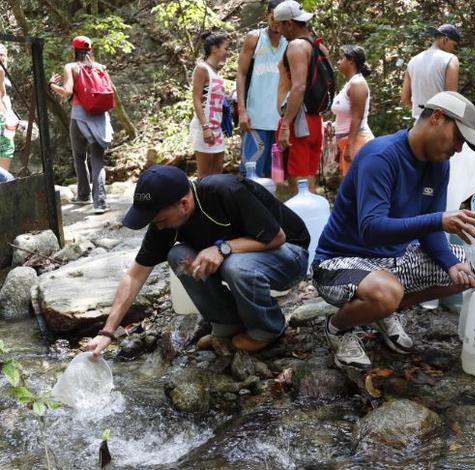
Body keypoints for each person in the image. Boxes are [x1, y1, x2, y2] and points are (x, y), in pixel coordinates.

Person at [312, 91, 475, 369]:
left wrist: (451, 263)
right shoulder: (381, 156)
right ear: (437, 118)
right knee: (386, 292)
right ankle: (338, 328)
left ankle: (383, 311)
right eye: (458, 138)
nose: (459, 148)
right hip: (338, 262)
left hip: (392, 260)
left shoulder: (439, 165)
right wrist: (439, 220)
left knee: (468, 269)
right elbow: (372, 229)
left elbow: (431, 231)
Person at [85, 165, 310, 357]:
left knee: (235, 265)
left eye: (161, 220)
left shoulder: (224, 190)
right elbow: (135, 275)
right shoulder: (162, 223)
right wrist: (106, 332)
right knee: (178, 256)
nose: (158, 226)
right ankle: (227, 326)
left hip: (289, 255)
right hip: (242, 259)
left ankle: (266, 330)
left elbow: (277, 237)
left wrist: (224, 248)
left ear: (184, 204)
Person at [49, 36, 113, 214]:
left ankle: (84, 195)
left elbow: (67, 91)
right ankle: (100, 203)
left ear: (74, 50)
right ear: (90, 50)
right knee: (98, 160)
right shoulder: (100, 68)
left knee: (79, 156)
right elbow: (111, 90)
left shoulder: (71, 67)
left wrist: (52, 85)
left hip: (79, 117)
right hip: (100, 117)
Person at [274, 0, 326, 194]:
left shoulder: (296, 46)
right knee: (308, 174)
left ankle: (302, 223)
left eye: (279, 25)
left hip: (298, 122)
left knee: (298, 179)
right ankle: (313, 221)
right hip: (313, 119)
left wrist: (286, 124)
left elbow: (299, 87)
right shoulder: (318, 47)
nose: (278, 30)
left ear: (289, 23)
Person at [237, 0, 287, 178]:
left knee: (275, 177)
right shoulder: (254, 38)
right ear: (267, 15)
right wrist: (242, 110)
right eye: (273, 17)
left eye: (280, 19)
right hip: (255, 119)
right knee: (251, 174)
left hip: (281, 121)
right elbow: (241, 74)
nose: (276, 23)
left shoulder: (290, 42)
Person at [401, 24, 460, 122]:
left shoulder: (413, 61)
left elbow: (405, 99)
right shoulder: (450, 59)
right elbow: (451, 98)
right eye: (454, 46)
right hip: (439, 124)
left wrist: (423, 113)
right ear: (445, 40)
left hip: (418, 125)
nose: (454, 50)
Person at [190, 31, 229, 177]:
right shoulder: (202, 69)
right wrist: (205, 127)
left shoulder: (215, 72)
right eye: (225, 48)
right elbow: (196, 98)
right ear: (215, 49)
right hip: (204, 128)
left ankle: (213, 201)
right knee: (205, 177)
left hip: (216, 128)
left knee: (217, 173)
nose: (227, 52)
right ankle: (201, 200)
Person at [331, 44, 374, 176]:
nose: (338, 61)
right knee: (350, 187)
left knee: (355, 187)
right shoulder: (349, 84)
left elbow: (358, 117)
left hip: (357, 141)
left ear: (351, 61)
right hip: (346, 140)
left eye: (342, 58)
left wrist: (349, 146)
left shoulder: (357, 84)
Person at [0, 44, 19, 172]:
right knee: (5, 150)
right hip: (2, 121)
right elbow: (2, 95)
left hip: (6, 120)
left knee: (6, 152)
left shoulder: (4, 73)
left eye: (3, 54)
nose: (1, 57)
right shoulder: (1, 72)